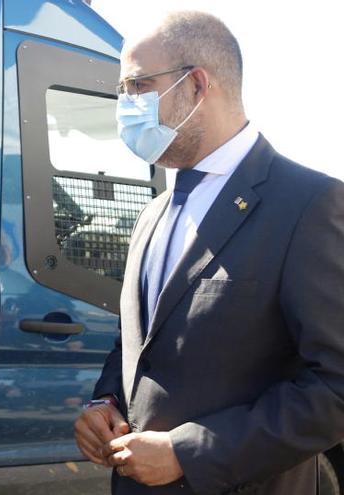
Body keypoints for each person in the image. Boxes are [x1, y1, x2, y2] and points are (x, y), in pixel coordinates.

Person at [73, 11, 344, 495]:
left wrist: (191, 453)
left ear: (197, 85)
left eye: (136, 85)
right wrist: (105, 403)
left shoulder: (307, 204)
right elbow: (139, 344)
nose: (124, 104)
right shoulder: (153, 214)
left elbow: (335, 387)